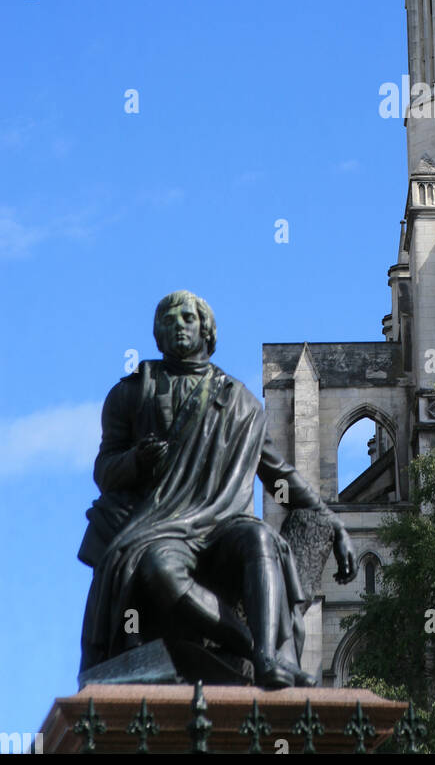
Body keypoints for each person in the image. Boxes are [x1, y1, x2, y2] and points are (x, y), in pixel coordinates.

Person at [78, 290, 356, 688]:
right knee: (158, 568)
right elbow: (104, 471)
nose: (179, 326)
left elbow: (278, 476)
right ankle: (250, 646)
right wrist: (136, 461)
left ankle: (265, 657)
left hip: (222, 524)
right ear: (157, 334)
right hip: (161, 527)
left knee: (260, 536)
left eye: (188, 319)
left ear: (206, 330)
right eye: (169, 321)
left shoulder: (239, 402)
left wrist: (333, 523)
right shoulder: (131, 393)